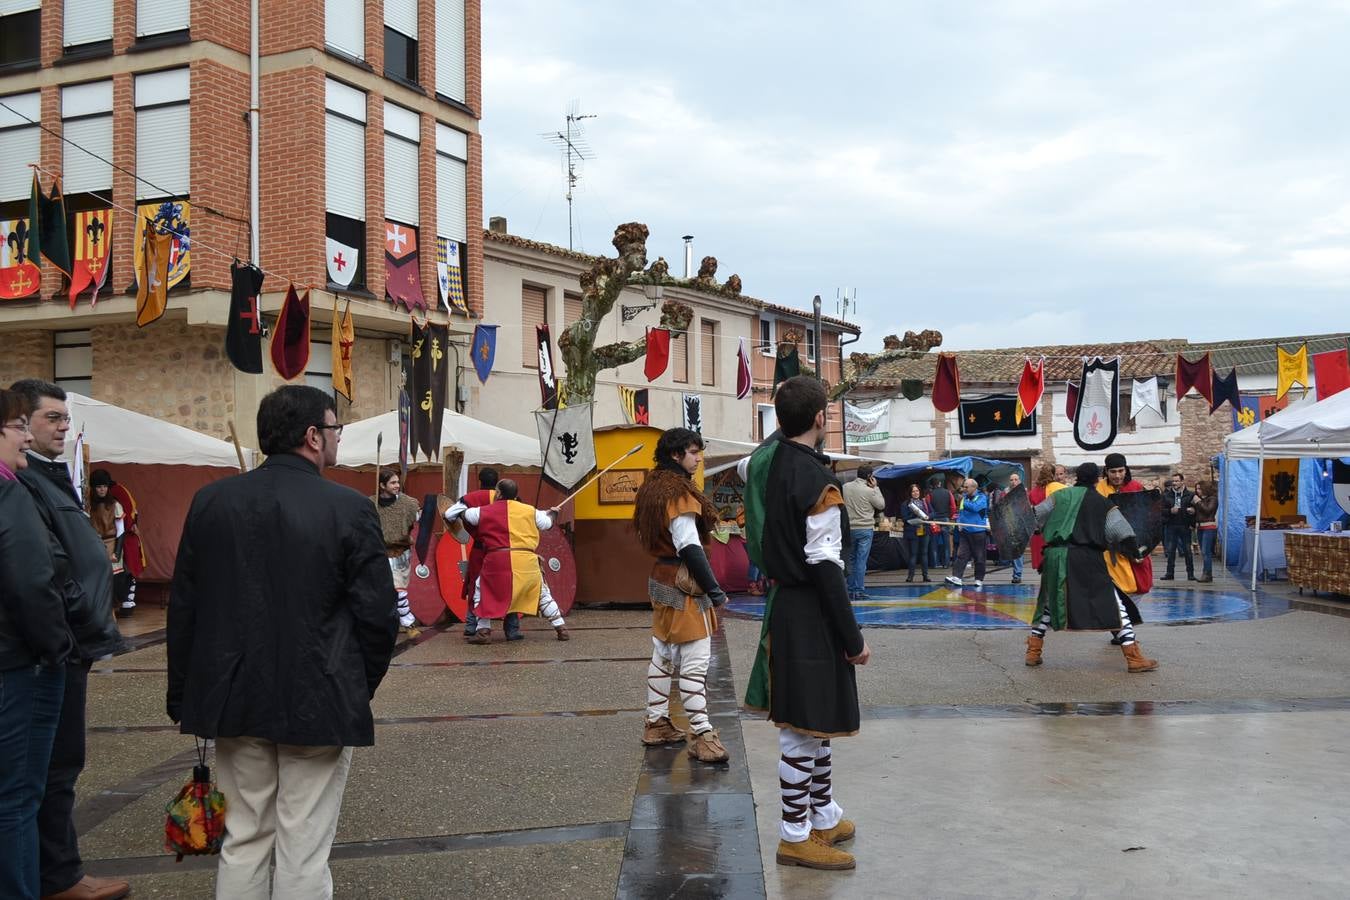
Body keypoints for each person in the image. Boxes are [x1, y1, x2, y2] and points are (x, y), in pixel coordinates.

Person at [167, 385, 399, 899]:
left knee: (244, 836)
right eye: (335, 429)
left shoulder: (211, 501)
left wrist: (184, 692)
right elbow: (379, 617)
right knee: (304, 841)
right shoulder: (348, 508)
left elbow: (185, 607)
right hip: (319, 693)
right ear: (314, 436)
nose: (338, 439)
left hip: (233, 694)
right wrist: (358, 685)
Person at [741, 376, 869, 871]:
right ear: (821, 418)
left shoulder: (767, 467)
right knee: (800, 730)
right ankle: (794, 834)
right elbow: (825, 565)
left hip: (790, 603)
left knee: (814, 724)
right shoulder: (816, 481)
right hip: (808, 609)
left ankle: (822, 814)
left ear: (778, 420)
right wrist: (852, 638)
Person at [9, 380, 127, 900]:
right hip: (53, 646)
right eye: (51, 418)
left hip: (66, 642)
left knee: (57, 767)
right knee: (46, 771)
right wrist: (72, 618)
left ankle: (56, 872)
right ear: (22, 425)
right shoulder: (24, 480)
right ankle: (56, 878)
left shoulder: (52, 476)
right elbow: (39, 568)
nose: (63, 426)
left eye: (64, 418)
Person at [1, 389, 75, 900]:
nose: (27, 436)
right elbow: (31, 579)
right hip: (21, 663)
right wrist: (57, 646)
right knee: (18, 797)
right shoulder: (8, 491)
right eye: (17, 427)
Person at [632, 428, 731, 764]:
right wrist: (715, 590)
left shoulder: (653, 486)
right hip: (683, 582)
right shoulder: (678, 494)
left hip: (661, 577)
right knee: (694, 660)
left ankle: (656, 722)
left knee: (662, 653)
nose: (698, 457)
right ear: (676, 455)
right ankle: (703, 735)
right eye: (693, 452)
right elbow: (688, 544)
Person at [1025, 462, 1159, 673]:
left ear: (1075, 476)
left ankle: (1033, 651)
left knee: (1049, 602)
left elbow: (1033, 517)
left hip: (1055, 557)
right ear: (1098, 478)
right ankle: (1133, 657)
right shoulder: (1103, 503)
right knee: (1115, 605)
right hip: (1086, 557)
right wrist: (1136, 552)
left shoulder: (1059, 496)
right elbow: (1123, 532)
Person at [443, 479, 569, 644]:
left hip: (497, 560)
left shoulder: (482, 511)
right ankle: (561, 628)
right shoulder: (531, 511)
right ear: (516, 495)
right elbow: (547, 523)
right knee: (542, 593)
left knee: (482, 590)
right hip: (526, 560)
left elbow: (454, 514)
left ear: (499, 493)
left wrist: (461, 511)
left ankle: (483, 632)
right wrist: (553, 513)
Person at [456, 468, 521, 640]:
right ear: (498, 481)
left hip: (480, 548)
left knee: (476, 586)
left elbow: (453, 514)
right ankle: (512, 629)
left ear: (479, 480)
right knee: (509, 585)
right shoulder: (513, 500)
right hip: (506, 551)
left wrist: (468, 530)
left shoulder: (471, 499)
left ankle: (472, 626)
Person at [1097, 452, 1154, 645]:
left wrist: (1143, 547)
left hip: (1135, 546)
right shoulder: (1100, 489)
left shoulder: (1136, 487)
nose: (1117, 475)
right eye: (1113, 471)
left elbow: (1146, 519)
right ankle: (1121, 631)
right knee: (1114, 591)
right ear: (1106, 471)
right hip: (1110, 550)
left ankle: (1122, 628)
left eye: (1121, 470)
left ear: (1126, 469)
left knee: (1140, 587)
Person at [371, 469, 422, 636]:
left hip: (400, 552)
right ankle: (408, 622)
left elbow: (418, 517)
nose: (397, 486)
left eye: (397, 482)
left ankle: (402, 622)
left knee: (398, 588)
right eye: (392, 483)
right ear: (382, 485)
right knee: (393, 589)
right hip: (380, 552)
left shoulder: (408, 503)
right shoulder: (371, 504)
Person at [87, 469, 141, 619]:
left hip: (111, 543)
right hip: (95, 544)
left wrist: (117, 552)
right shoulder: (89, 506)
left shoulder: (115, 505)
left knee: (114, 580)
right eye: (98, 486)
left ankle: (112, 610)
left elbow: (120, 531)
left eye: (104, 486)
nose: (102, 489)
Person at [841, 465, 885, 599]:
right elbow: (881, 505)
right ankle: (858, 590)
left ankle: (850, 589)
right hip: (865, 529)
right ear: (869, 477)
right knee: (861, 561)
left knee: (851, 559)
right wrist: (876, 487)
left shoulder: (845, 487)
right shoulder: (869, 491)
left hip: (849, 528)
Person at [944, 478, 990, 589]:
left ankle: (979, 579)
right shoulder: (964, 498)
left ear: (974, 487)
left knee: (979, 557)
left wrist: (964, 501)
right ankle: (957, 577)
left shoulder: (982, 497)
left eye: (966, 487)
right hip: (965, 532)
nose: (964, 489)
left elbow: (975, 508)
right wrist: (959, 522)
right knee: (961, 555)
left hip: (978, 532)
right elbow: (961, 512)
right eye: (964, 486)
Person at [1027, 462, 1067, 571]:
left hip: (1037, 533)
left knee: (1042, 569)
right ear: (1053, 475)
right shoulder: (1060, 488)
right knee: (1056, 568)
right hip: (1053, 532)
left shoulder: (1033, 492)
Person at [1161, 472, 1197, 581]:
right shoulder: (1166, 495)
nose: (1174, 483)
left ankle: (1190, 574)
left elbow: (1197, 508)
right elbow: (1160, 510)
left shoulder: (1190, 495)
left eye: (1177, 481)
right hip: (1171, 525)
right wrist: (1170, 511)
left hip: (1185, 525)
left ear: (1182, 481)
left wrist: (1193, 511)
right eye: (1173, 481)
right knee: (1170, 551)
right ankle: (1169, 573)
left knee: (1187, 551)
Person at [902, 483, 931, 582]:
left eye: (917, 491)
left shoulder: (925, 502)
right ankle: (910, 576)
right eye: (913, 491)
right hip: (912, 531)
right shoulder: (906, 504)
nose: (915, 493)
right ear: (910, 493)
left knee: (924, 553)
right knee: (913, 554)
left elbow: (932, 512)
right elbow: (904, 518)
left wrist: (927, 516)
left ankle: (925, 576)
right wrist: (916, 515)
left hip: (924, 530)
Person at [926, 477, 955, 568]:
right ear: (939, 483)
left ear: (931, 485)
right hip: (945, 519)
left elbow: (927, 509)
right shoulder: (948, 492)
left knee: (934, 543)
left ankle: (935, 563)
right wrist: (949, 516)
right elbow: (953, 507)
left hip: (935, 521)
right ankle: (946, 564)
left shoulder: (929, 495)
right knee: (947, 543)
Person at [1002, 472, 1026, 583]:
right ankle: (1016, 572)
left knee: (1018, 549)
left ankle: (1017, 574)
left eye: (1016, 479)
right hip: (1009, 523)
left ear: (1019, 480)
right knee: (1012, 550)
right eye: (1011, 480)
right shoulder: (1005, 492)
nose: (1014, 482)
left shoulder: (1024, 491)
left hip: (1020, 524)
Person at [1194, 479, 1219, 582]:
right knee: (1203, 552)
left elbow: (1208, 510)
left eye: (1199, 488)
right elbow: (1200, 512)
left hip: (1209, 528)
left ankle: (1207, 574)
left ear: (1205, 488)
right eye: (1196, 488)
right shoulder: (1201, 499)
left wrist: (1198, 502)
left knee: (1206, 552)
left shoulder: (1212, 499)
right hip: (1200, 527)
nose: (1197, 490)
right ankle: (1206, 574)